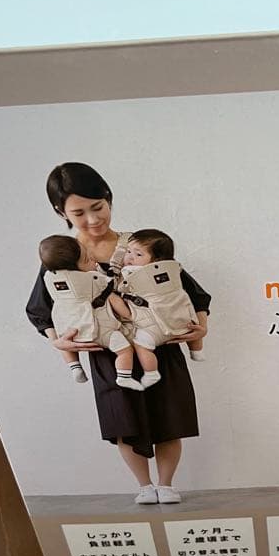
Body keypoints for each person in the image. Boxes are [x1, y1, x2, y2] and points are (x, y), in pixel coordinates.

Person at [26, 162, 210, 505]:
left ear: (109, 199)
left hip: (159, 347)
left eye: (98, 207)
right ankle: (144, 486)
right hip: (109, 356)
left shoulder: (140, 244)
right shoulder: (62, 256)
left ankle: (166, 484)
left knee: (170, 419)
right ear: (60, 212)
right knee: (124, 424)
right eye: (79, 213)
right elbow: (38, 309)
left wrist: (201, 324)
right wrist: (59, 341)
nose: (93, 219)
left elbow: (191, 291)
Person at [38, 234, 143, 390]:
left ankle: (74, 366)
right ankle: (123, 376)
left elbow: (39, 309)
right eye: (87, 259)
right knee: (125, 350)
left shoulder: (49, 278)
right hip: (100, 332)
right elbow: (113, 298)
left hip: (71, 331)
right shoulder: (93, 279)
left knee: (63, 339)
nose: (93, 260)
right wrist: (132, 316)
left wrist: (55, 341)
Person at [118, 229, 205, 387]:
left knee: (141, 345)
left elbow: (122, 289)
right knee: (192, 324)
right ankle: (197, 351)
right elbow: (198, 296)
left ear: (157, 260)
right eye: (128, 251)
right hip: (183, 317)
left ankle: (151, 372)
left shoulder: (131, 272)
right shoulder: (175, 269)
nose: (129, 257)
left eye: (138, 254)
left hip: (156, 327)